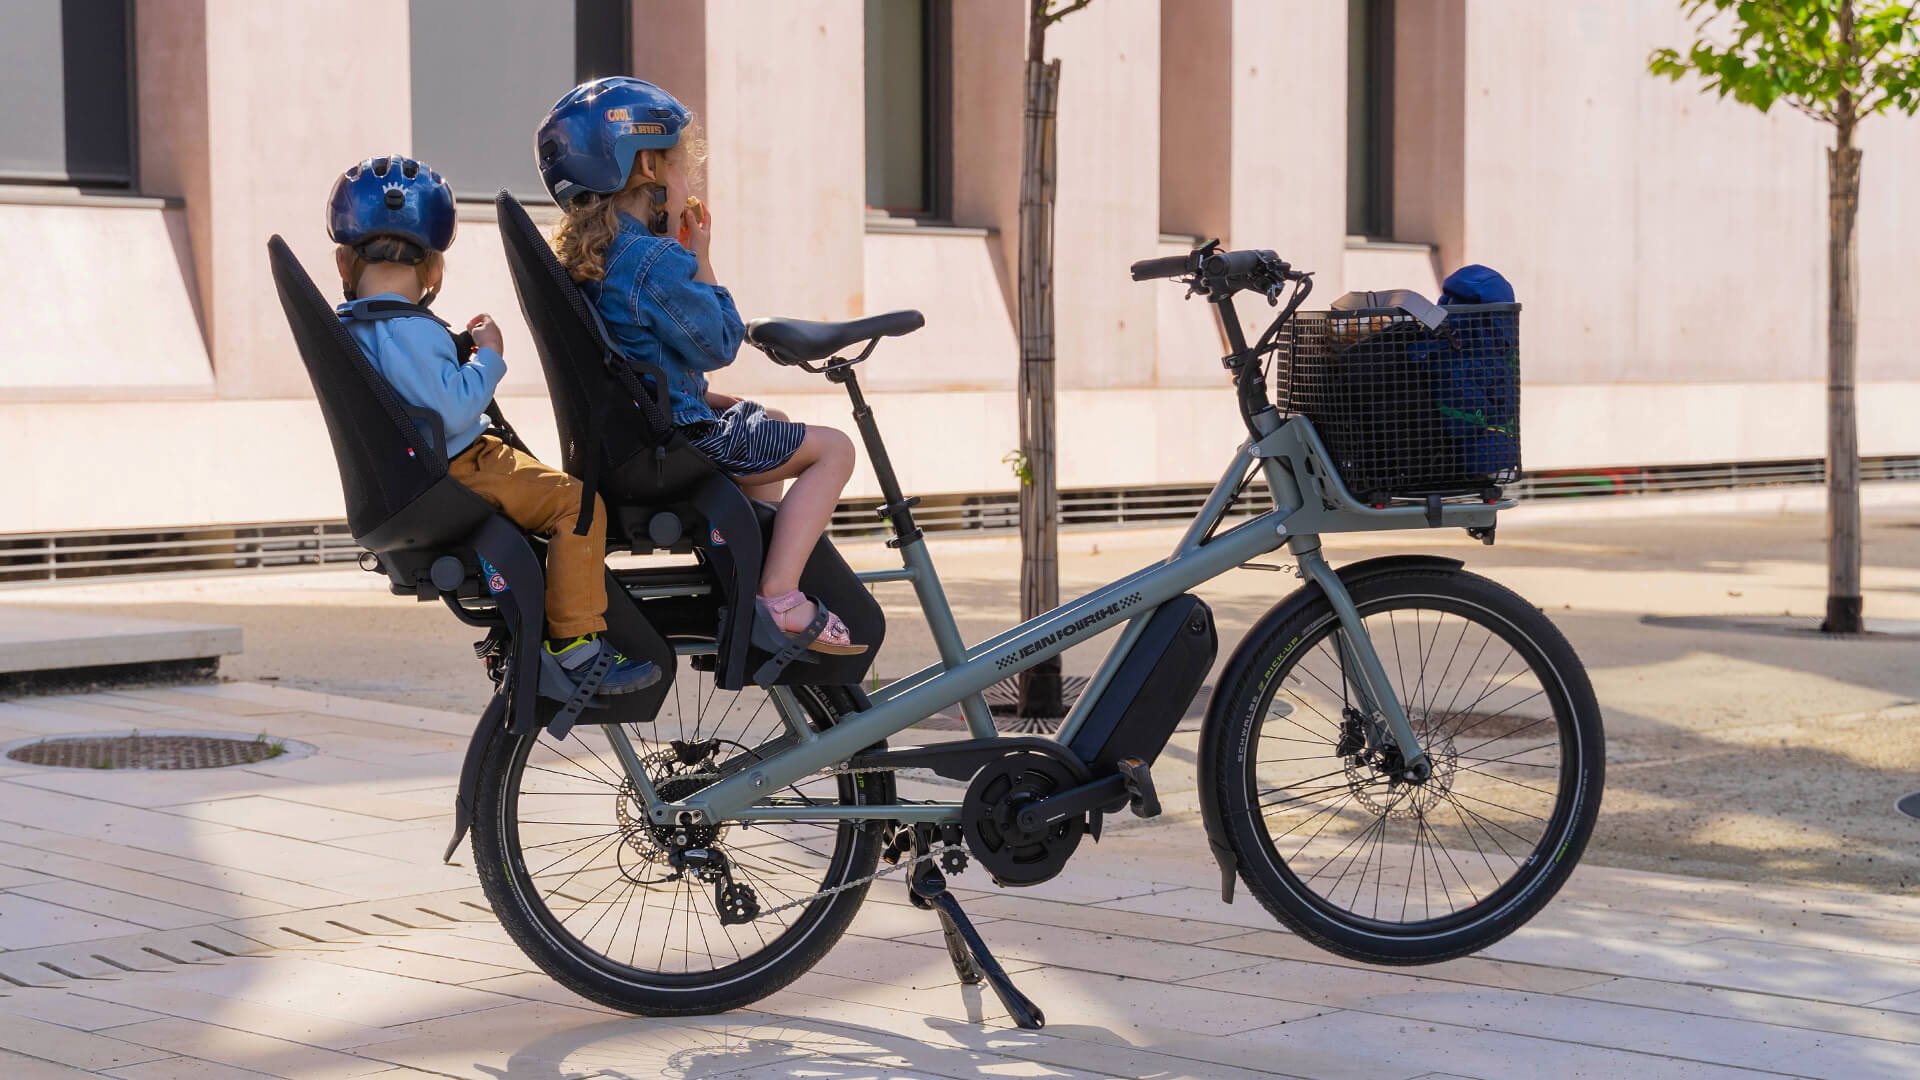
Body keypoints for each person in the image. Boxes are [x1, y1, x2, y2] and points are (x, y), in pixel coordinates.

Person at [535, 78, 866, 658]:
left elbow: (635, 365)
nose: (690, 180)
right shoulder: (651, 259)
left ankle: (743, 581)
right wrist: (701, 257)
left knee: (771, 419)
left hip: (646, 437)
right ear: (647, 166)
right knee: (835, 447)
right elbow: (719, 343)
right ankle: (780, 595)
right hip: (679, 443)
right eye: (683, 165)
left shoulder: (598, 258)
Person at [327, 154, 660, 696]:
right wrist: (489, 356)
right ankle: (576, 647)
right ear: (433, 270)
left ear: (345, 264)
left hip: (426, 472)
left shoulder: (353, 330)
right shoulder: (413, 330)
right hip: (466, 465)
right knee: (578, 506)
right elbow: (455, 407)